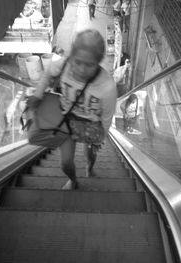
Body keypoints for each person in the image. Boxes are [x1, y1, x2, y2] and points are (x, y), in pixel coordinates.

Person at [30, 29, 117, 190]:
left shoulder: (107, 86)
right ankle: (73, 180)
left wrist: (101, 138)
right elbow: (48, 72)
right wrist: (38, 94)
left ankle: (89, 167)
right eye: (77, 62)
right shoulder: (64, 64)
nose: (82, 69)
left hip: (90, 126)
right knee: (65, 163)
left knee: (90, 154)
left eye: (89, 64)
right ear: (71, 57)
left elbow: (106, 117)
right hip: (66, 121)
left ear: (98, 62)